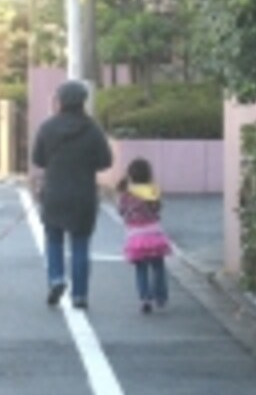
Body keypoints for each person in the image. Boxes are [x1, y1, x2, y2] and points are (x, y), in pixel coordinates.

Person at [32, 80, 112, 308]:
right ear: (82, 102)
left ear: (61, 101)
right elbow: (106, 161)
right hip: (83, 194)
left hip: (55, 193)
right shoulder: (93, 129)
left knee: (54, 240)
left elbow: (38, 159)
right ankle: (79, 294)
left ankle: (56, 278)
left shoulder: (47, 127)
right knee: (80, 244)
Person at [116, 157, 172, 313]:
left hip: (135, 236)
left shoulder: (126, 193)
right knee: (158, 266)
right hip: (154, 233)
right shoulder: (152, 190)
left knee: (141, 268)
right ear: (148, 174)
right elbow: (157, 208)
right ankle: (160, 297)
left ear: (130, 175)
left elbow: (121, 211)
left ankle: (144, 298)